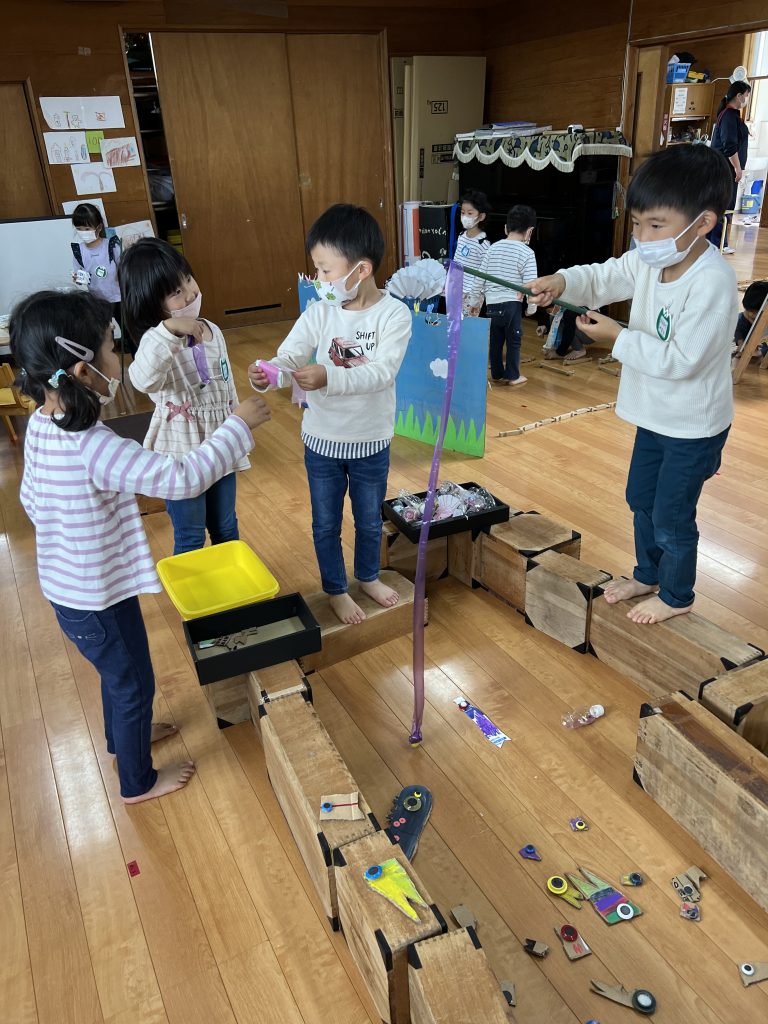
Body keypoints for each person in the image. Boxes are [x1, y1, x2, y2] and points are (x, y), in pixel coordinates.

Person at [10, 289, 270, 802]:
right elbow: (183, 477)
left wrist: (74, 538)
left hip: (79, 590)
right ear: (83, 371)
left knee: (122, 673)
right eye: (112, 349)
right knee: (132, 684)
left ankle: (123, 738)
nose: (118, 358)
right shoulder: (94, 446)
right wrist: (237, 425)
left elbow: (30, 500)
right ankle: (137, 781)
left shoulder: (40, 424)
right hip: (95, 597)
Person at [529, 144, 737, 625]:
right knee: (641, 500)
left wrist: (617, 338)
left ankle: (678, 595)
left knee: (671, 515)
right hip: (654, 416)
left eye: (656, 225)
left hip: (693, 426)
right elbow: (605, 276)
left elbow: (682, 361)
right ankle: (648, 574)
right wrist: (562, 281)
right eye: (638, 223)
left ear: (703, 223)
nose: (642, 237)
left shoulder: (712, 282)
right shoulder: (648, 259)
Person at [247, 204, 412, 626]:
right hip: (322, 441)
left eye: (325, 270)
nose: (318, 279)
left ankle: (368, 577)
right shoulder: (320, 311)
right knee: (325, 524)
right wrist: (268, 373)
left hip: (371, 440)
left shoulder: (394, 314)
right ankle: (336, 589)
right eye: (317, 269)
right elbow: (289, 356)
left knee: (369, 520)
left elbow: (382, 372)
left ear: (361, 269)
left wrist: (328, 375)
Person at [120, 238, 246, 555]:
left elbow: (226, 385)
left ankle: (228, 583)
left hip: (220, 444)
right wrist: (169, 330)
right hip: (179, 453)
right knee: (190, 536)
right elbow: (142, 379)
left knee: (226, 527)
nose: (190, 293)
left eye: (188, 279)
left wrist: (238, 426)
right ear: (152, 303)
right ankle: (194, 586)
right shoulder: (155, 341)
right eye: (176, 291)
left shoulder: (213, 330)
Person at [468, 204, 537, 385]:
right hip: (511, 305)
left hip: (492, 305)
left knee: (496, 340)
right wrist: (532, 307)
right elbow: (532, 285)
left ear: (506, 228)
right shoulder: (527, 253)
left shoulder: (492, 249)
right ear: (529, 231)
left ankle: (497, 374)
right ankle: (513, 376)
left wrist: (474, 302)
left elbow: (480, 277)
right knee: (514, 340)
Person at [709, 80, 751, 254]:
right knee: (723, 206)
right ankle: (717, 243)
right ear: (739, 96)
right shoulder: (728, 116)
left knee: (725, 206)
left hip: (726, 169)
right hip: (725, 169)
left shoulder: (731, 115)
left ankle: (719, 243)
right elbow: (729, 147)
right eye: (746, 95)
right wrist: (737, 168)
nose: (747, 99)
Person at [70, 202, 123, 335]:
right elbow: (80, 275)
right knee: (104, 335)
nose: (83, 232)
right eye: (79, 229)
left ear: (98, 227)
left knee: (128, 332)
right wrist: (78, 279)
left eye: (87, 229)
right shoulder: (78, 251)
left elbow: (124, 269)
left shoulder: (111, 245)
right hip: (97, 301)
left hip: (118, 298)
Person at [453, 190, 491, 315]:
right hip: (457, 288)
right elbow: (457, 260)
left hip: (472, 293)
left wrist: (477, 295)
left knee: (468, 322)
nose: (465, 217)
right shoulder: (461, 236)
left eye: (470, 213)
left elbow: (485, 271)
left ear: (481, 216)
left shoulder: (483, 243)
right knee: (454, 320)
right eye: (462, 213)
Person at [733, 280, 768, 357]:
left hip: (763, 342)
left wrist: (760, 352)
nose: (750, 314)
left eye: (754, 312)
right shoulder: (744, 317)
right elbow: (738, 329)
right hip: (751, 339)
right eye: (747, 309)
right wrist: (741, 343)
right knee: (740, 319)